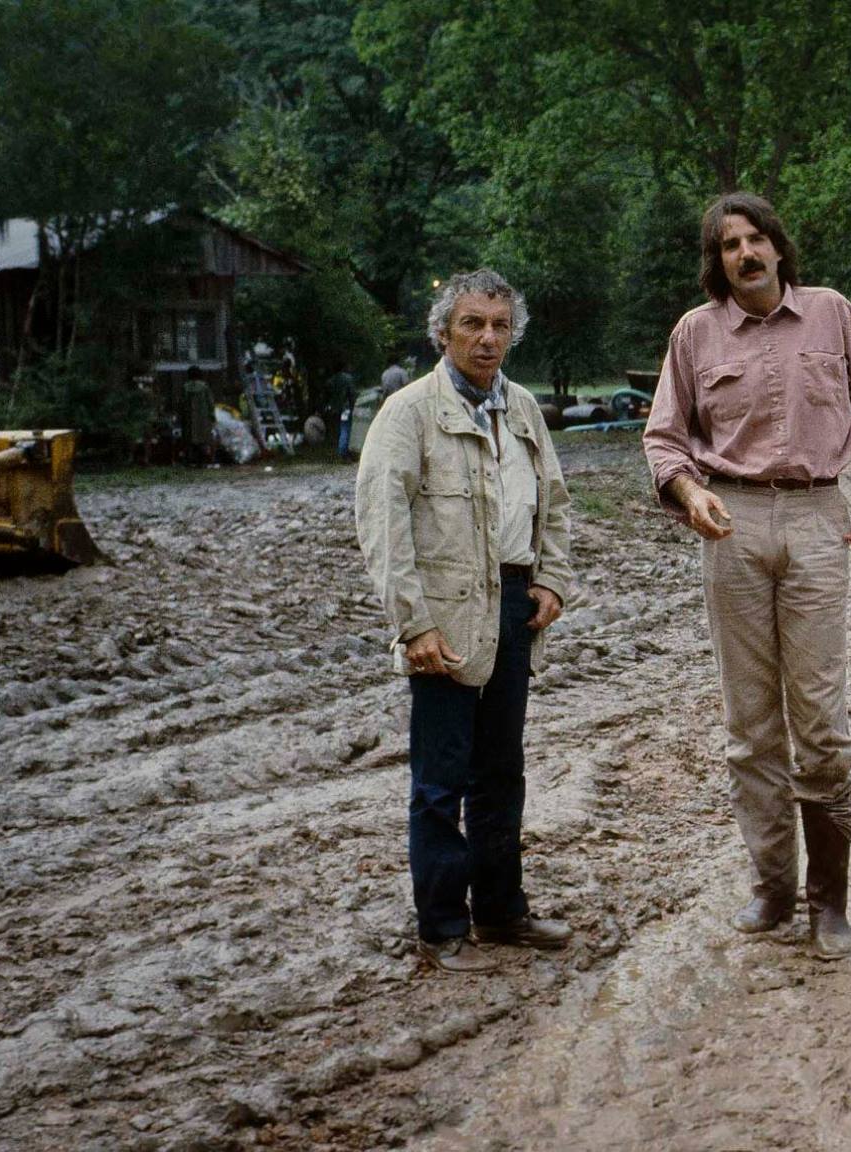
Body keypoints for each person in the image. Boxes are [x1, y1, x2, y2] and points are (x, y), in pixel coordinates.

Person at [643, 192, 851, 960]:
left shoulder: (832, 313)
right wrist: (692, 493)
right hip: (729, 523)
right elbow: (664, 438)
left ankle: (830, 903)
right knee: (750, 726)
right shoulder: (695, 334)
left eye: (756, 239)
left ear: (779, 248)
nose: (745, 253)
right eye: (729, 244)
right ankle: (771, 887)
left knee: (820, 722)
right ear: (716, 260)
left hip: (817, 519)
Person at [355, 269, 578, 973]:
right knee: (439, 780)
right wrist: (412, 623)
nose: (487, 338)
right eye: (472, 324)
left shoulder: (523, 410)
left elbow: (558, 503)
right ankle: (443, 927)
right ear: (444, 331)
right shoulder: (408, 413)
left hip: (515, 607)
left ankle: (502, 913)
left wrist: (550, 580)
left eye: (500, 326)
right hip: (444, 617)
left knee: (501, 771)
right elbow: (383, 528)